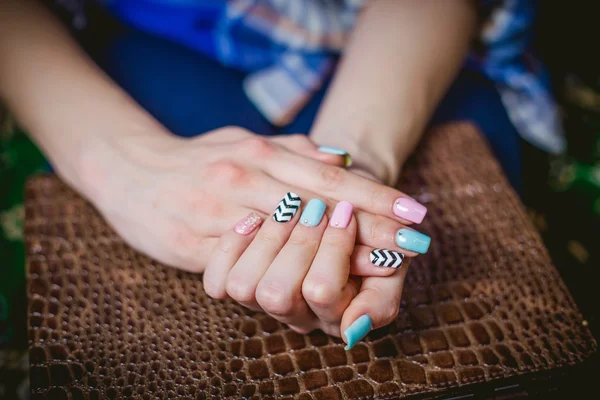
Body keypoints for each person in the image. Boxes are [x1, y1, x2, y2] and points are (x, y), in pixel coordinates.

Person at [0, 0, 560, 348]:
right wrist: (117, 162)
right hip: (133, 47)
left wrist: (351, 167)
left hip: (392, 54)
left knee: (452, 282)